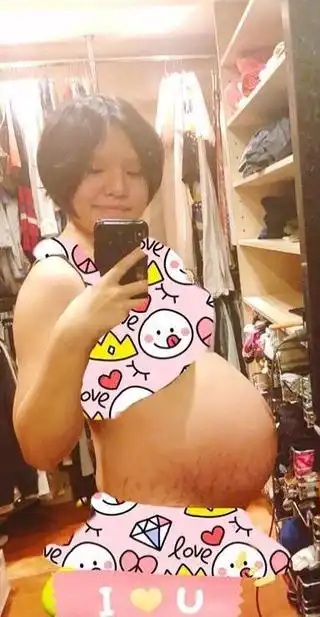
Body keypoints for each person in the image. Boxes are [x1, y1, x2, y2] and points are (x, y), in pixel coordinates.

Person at [12, 96, 277, 509]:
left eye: (134, 171)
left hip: (218, 516)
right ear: (63, 173)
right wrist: (74, 334)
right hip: (153, 523)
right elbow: (39, 449)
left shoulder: (155, 256)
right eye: (94, 169)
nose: (119, 187)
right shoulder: (55, 278)